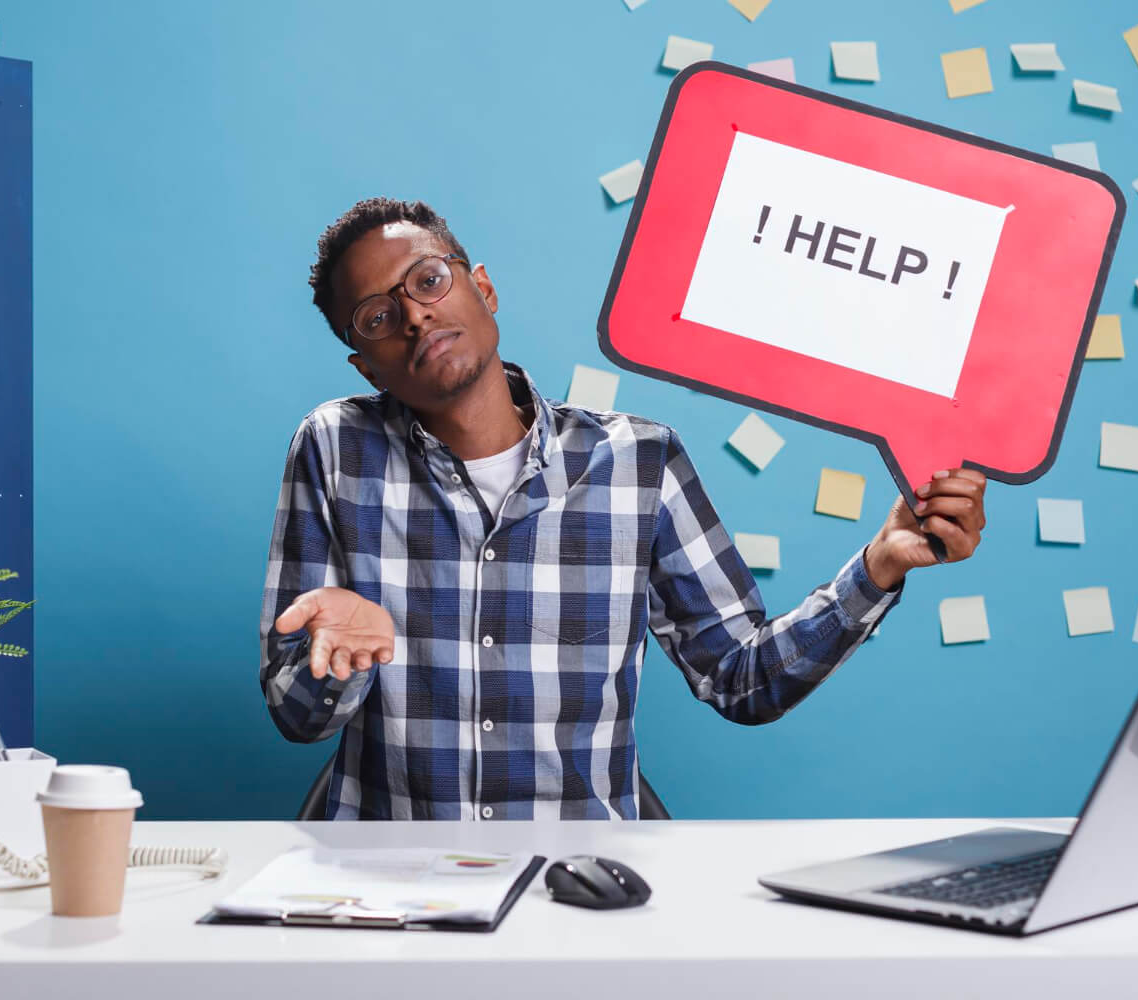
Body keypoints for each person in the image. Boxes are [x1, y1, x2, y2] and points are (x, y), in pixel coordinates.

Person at [261, 197, 987, 820]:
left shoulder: (639, 463)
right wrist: (343, 658)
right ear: (366, 364)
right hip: (389, 887)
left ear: (481, 287)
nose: (416, 316)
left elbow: (743, 680)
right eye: (379, 317)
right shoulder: (335, 449)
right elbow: (297, 716)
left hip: (578, 890)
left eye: (429, 280)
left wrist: (879, 567)